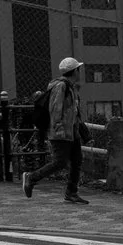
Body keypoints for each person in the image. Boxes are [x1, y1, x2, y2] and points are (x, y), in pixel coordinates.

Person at [19, 58, 90, 203]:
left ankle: (71, 192)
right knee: (60, 162)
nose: (79, 72)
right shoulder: (61, 86)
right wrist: (59, 129)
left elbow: (73, 111)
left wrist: (81, 130)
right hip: (61, 132)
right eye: (78, 69)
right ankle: (31, 177)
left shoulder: (70, 87)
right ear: (74, 71)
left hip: (71, 131)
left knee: (77, 161)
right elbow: (56, 109)